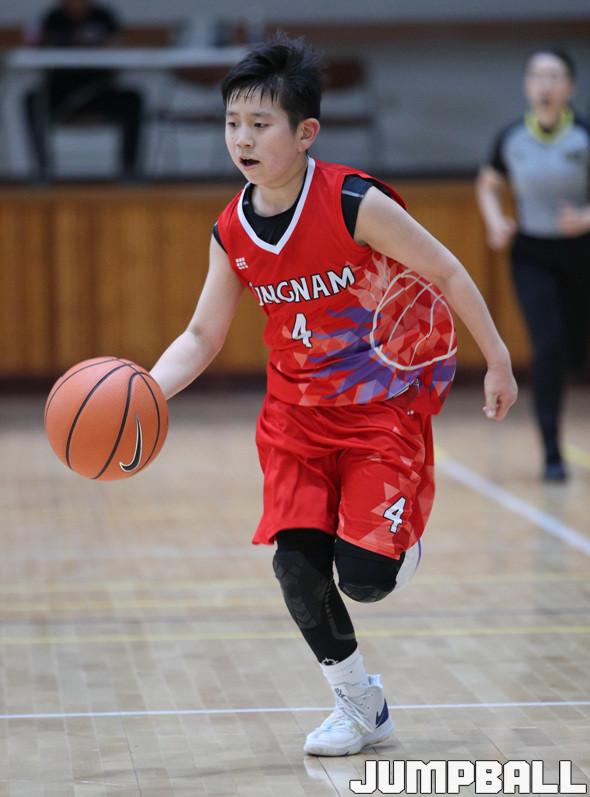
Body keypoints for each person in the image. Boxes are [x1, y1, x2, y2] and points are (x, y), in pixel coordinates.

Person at [150, 34, 517, 757]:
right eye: (232, 122)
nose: (242, 138)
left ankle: (395, 541)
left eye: (260, 124)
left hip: (379, 410)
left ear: (305, 132)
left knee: (367, 581)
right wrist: (148, 390)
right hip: (294, 420)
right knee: (294, 565)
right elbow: (200, 334)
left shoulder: (354, 201)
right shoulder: (231, 228)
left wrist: (499, 360)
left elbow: (447, 270)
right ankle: (359, 704)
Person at [476, 47, 590, 482]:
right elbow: (488, 184)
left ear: (569, 86)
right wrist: (495, 222)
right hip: (532, 255)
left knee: (577, 352)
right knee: (549, 347)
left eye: (554, 76)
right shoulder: (511, 138)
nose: (545, 84)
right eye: (538, 76)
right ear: (527, 85)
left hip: (581, 253)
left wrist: (586, 218)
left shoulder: (582, 136)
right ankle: (552, 452)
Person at [23, 0, 143, 181]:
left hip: (99, 92)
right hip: (60, 94)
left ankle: (129, 168)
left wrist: (107, 49)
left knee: (133, 99)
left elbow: (120, 50)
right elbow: (38, 51)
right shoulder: (52, 19)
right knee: (32, 100)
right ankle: (42, 168)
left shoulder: (104, 17)